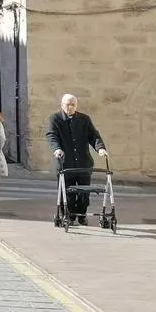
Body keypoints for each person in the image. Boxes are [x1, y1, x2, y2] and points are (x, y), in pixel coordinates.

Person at [45, 94, 108, 226]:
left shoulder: (84, 119)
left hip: (83, 162)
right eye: (68, 104)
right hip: (65, 163)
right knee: (66, 191)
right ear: (62, 105)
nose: (70, 107)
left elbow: (93, 135)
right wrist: (57, 149)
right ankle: (67, 215)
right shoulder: (54, 119)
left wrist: (100, 148)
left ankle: (82, 214)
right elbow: (52, 136)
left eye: (73, 104)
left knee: (84, 192)